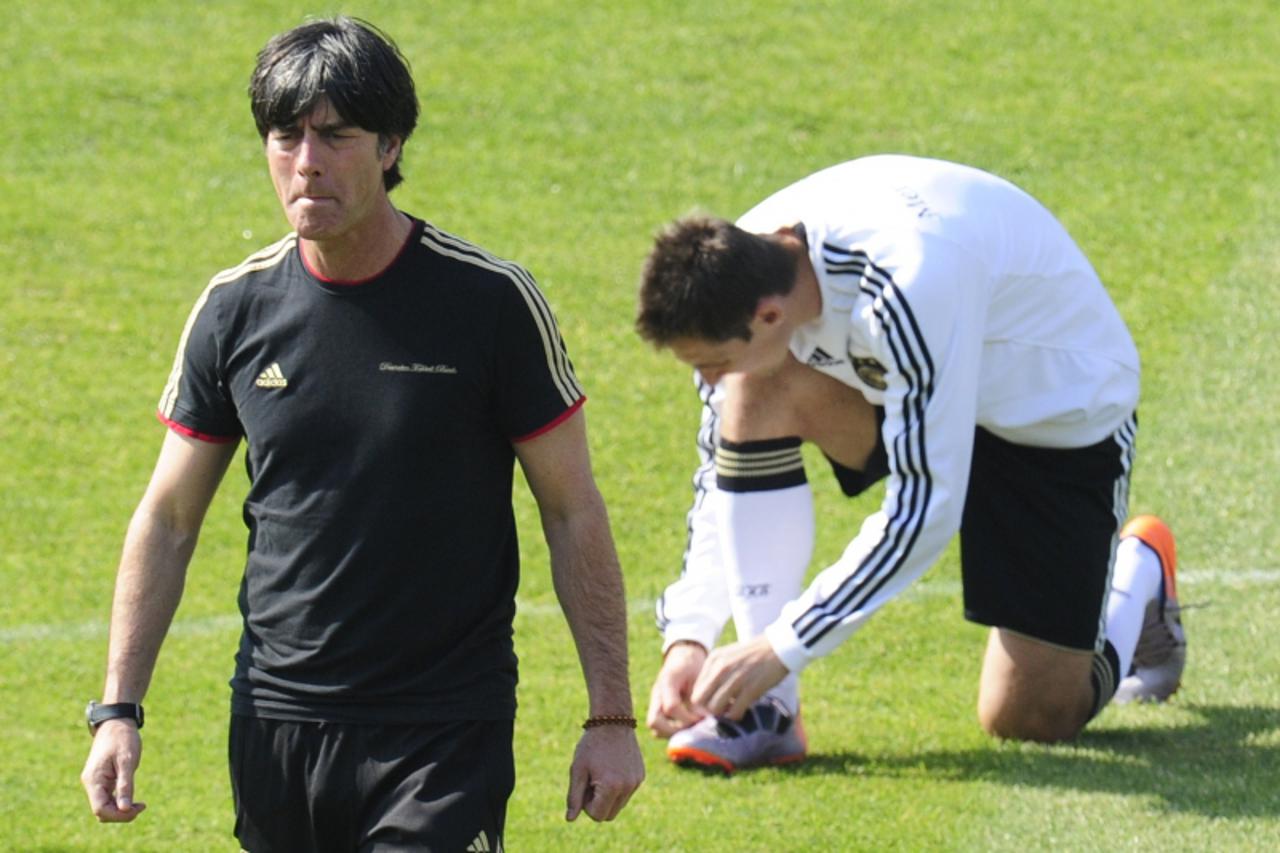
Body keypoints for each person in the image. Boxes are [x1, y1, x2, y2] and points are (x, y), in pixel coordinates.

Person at [80, 16, 643, 849]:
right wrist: (117, 709)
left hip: (443, 729)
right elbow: (167, 519)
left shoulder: (488, 305)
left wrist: (610, 714)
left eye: (335, 136)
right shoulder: (234, 310)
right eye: (285, 137)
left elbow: (571, 510)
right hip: (277, 723)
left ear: (391, 145)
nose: (306, 163)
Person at [636, 154, 1186, 773]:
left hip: (1055, 424)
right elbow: (719, 466)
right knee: (753, 389)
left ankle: (1138, 575)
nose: (707, 380)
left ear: (768, 315)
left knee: (1030, 719)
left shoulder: (905, 284)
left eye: (709, 360)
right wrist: (689, 637)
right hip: (917, 389)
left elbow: (925, 510)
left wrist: (782, 645)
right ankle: (766, 712)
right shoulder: (745, 263)